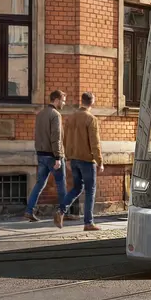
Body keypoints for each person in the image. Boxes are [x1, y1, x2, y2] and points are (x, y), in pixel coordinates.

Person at [58, 92, 104, 230]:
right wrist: (100, 161)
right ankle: (88, 222)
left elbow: (65, 140)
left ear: (81, 101)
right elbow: (95, 143)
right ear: (92, 102)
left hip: (73, 159)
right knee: (90, 190)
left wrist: (67, 157)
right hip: (86, 159)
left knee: (77, 187)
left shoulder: (70, 118)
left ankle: (60, 211)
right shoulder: (91, 119)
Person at [25, 91, 69, 222]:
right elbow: (56, 137)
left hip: (41, 154)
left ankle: (29, 210)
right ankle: (63, 213)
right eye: (63, 100)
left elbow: (38, 135)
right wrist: (58, 157)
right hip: (53, 155)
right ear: (56, 100)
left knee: (39, 184)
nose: (64, 103)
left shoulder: (40, 114)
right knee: (61, 184)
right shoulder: (55, 115)